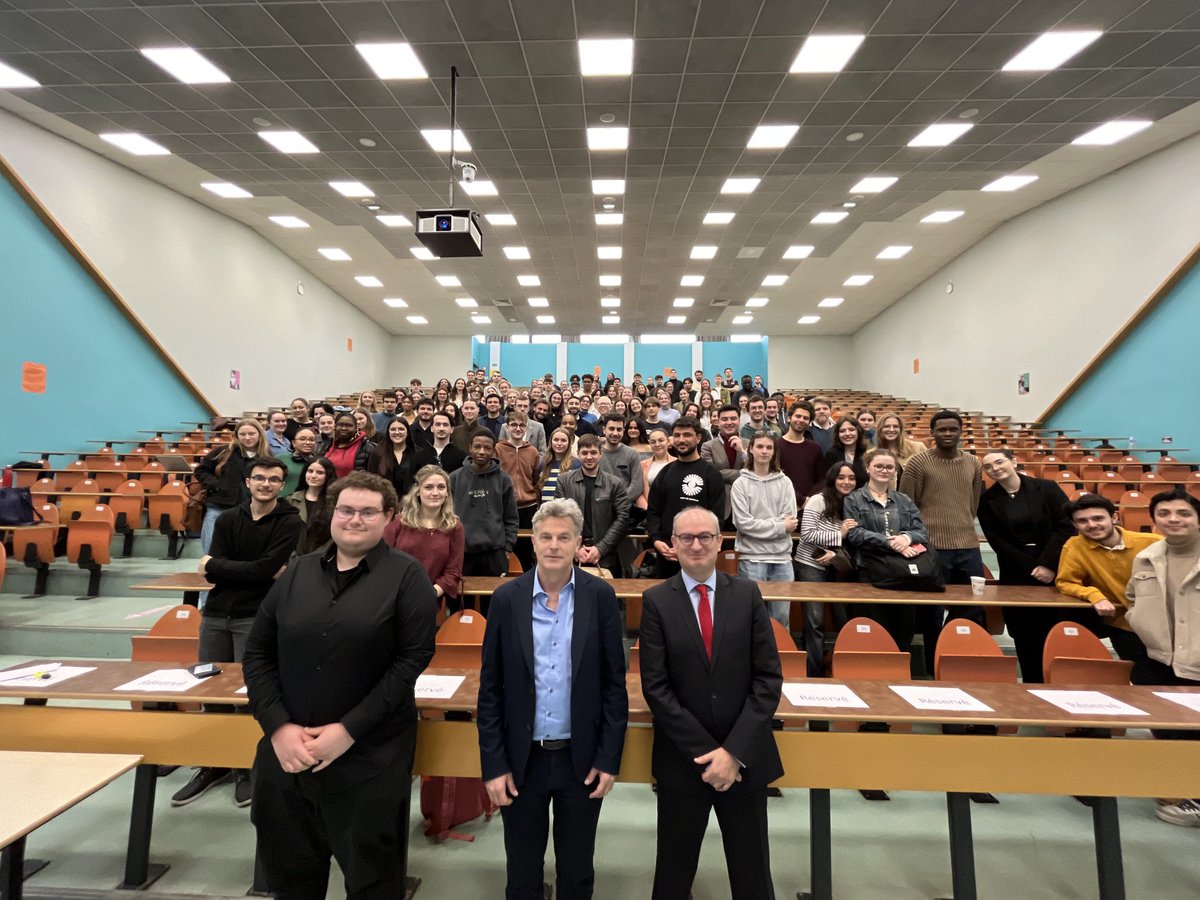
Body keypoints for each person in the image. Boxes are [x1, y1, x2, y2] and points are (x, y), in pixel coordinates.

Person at [243, 471, 436, 900]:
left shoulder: (408, 578)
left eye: (368, 512)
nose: (355, 519)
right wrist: (277, 726)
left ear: (388, 517)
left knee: (371, 883)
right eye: (346, 510)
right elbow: (257, 654)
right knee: (290, 880)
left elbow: (411, 662)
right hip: (287, 759)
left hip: (367, 759)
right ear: (332, 512)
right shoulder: (298, 571)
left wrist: (347, 731)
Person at [639, 506, 783, 900]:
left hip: (744, 760)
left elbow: (768, 679)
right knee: (673, 873)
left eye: (705, 536)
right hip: (684, 762)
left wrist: (733, 753)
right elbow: (656, 688)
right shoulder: (656, 601)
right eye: (686, 537)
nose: (696, 544)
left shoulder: (748, 594)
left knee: (752, 874)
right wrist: (708, 753)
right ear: (673, 544)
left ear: (720, 542)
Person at [174, 455, 302, 808]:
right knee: (212, 691)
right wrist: (225, 567)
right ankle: (213, 764)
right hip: (215, 614)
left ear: (281, 484)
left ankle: (246, 766)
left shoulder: (289, 522)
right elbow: (214, 573)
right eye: (259, 478)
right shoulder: (228, 519)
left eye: (273, 479)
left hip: (256, 616)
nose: (265, 484)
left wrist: (220, 566)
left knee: (252, 692)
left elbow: (263, 570)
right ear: (247, 482)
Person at [1125, 491, 1200, 825]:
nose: (1173, 519)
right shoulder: (1147, 556)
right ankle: (1180, 792)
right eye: (1165, 513)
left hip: (1196, 656)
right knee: (1166, 725)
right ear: (1154, 520)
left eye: (1183, 513)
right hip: (1159, 655)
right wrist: (1139, 620)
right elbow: (1131, 597)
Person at [977, 449, 1079, 682]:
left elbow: (1065, 526)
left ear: (1014, 462)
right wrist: (1030, 567)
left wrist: (1047, 564)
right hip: (1016, 571)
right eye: (988, 466)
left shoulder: (1047, 488)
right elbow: (997, 540)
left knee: (1055, 627)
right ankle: (1033, 684)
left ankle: (1061, 682)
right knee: (1024, 632)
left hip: (1054, 566)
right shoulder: (987, 500)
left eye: (999, 462)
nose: (995, 468)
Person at [899, 410, 986, 667]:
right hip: (931, 547)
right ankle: (933, 662)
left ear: (961, 431)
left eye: (953, 429)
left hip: (968, 545)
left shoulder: (973, 463)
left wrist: (961, 525)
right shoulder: (918, 463)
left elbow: (973, 503)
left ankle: (959, 658)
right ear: (933, 433)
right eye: (942, 430)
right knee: (932, 611)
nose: (948, 434)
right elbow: (907, 505)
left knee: (971, 607)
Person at [1056, 494, 1161, 674]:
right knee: (1142, 680)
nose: (1091, 525)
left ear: (1114, 517)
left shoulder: (1152, 543)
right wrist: (1094, 595)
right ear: (1074, 525)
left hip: (1166, 624)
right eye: (1082, 521)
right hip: (1124, 624)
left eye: (1098, 518)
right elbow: (1066, 582)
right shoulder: (1075, 546)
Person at [843, 448, 931, 655]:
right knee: (872, 629)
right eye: (879, 466)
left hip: (903, 572)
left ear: (895, 471)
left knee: (902, 632)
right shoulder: (854, 499)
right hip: (869, 570)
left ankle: (899, 677)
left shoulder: (904, 500)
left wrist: (906, 538)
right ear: (868, 468)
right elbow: (854, 534)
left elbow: (921, 532)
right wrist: (889, 542)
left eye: (889, 467)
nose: (884, 470)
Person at [794, 462, 859, 675]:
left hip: (838, 565)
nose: (846, 482)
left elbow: (857, 538)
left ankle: (841, 669)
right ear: (832, 479)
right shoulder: (818, 500)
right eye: (841, 477)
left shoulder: (856, 503)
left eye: (851, 478)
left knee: (844, 619)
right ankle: (812, 672)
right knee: (814, 621)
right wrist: (838, 535)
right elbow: (807, 534)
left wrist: (835, 553)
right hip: (810, 564)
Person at [730, 432, 798, 629]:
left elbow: (790, 521)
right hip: (752, 558)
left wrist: (764, 525)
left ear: (774, 452)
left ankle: (779, 658)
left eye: (769, 447)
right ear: (750, 449)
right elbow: (744, 524)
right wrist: (779, 526)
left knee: (781, 619)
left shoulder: (785, 482)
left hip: (782, 560)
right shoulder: (740, 484)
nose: (764, 451)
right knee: (753, 618)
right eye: (759, 446)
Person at [646, 417, 725, 578]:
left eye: (687, 435)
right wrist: (656, 541)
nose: (681, 440)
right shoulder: (665, 473)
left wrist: (697, 545)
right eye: (677, 435)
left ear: (698, 438)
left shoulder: (711, 474)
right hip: (667, 553)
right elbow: (653, 511)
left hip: (700, 554)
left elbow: (716, 517)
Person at [384, 465, 465, 613]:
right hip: (392, 598)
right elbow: (382, 561)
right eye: (428, 487)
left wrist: (429, 594)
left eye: (441, 487)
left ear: (447, 492)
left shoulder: (455, 527)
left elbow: (453, 572)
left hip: (428, 601)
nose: (435, 493)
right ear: (418, 491)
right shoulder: (398, 522)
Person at [555, 435, 631, 577]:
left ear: (600, 454)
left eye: (593, 453)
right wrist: (575, 548)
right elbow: (559, 519)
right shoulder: (564, 481)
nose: (589, 457)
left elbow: (622, 519)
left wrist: (600, 548)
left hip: (605, 555)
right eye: (584, 453)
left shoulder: (615, 483)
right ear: (578, 454)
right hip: (572, 554)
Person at [195, 418, 270, 557]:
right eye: (242, 434)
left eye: (251, 433)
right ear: (236, 436)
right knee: (211, 552)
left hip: (250, 511)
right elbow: (201, 471)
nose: (247, 437)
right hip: (218, 508)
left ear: (259, 434)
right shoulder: (222, 452)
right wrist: (218, 485)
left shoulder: (266, 456)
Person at [450, 429, 519, 578]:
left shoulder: (503, 479)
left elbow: (511, 517)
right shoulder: (455, 478)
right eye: (477, 447)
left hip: (495, 553)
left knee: (495, 598)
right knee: (462, 599)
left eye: (487, 448)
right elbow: (446, 516)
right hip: (462, 552)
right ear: (470, 448)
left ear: (493, 450)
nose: (482, 452)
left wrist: (507, 547)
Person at [496, 413, 543, 572]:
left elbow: (535, 479)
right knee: (505, 549)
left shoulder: (533, 451)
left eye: (521, 425)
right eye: (514, 425)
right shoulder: (498, 449)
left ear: (527, 428)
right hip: (504, 506)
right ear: (507, 427)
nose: (518, 428)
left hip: (528, 507)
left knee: (525, 551)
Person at [699, 404, 747, 525]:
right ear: (718, 421)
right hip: (719, 504)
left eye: (733, 418)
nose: (729, 422)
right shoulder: (707, 446)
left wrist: (742, 452)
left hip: (746, 504)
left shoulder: (750, 444)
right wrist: (742, 473)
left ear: (739, 420)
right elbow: (710, 474)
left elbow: (756, 472)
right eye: (724, 419)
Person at [777, 401, 825, 505]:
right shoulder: (776, 446)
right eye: (798, 416)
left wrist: (809, 500)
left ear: (809, 422)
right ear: (789, 418)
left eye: (805, 418)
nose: (801, 420)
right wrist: (800, 500)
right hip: (782, 504)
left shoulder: (815, 448)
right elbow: (775, 478)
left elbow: (820, 480)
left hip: (809, 506)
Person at [287, 457, 335, 555]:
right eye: (310, 471)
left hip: (321, 559)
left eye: (319, 473)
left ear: (328, 475)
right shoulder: (289, 501)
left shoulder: (334, 503)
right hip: (291, 560)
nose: (313, 476)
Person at [598, 413, 644, 506]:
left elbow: (637, 485)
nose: (615, 433)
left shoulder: (632, 454)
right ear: (604, 430)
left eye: (619, 429)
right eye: (611, 429)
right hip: (600, 507)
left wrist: (619, 501)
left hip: (625, 509)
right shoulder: (595, 454)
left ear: (623, 431)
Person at [367, 417, 417, 501]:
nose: (397, 432)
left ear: (408, 432)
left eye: (401, 429)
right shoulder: (377, 453)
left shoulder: (417, 454)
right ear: (388, 432)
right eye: (393, 429)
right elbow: (371, 480)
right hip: (384, 502)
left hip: (411, 503)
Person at [873, 414, 926, 484]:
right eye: (886, 426)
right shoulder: (872, 453)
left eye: (895, 426)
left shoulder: (918, 447)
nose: (891, 430)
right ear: (880, 429)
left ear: (900, 429)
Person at [822, 417, 868, 487]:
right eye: (842, 431)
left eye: (851, 430)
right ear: (837, 434)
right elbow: (827, 482)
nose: (847, 433)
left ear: (858, 431)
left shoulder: (865, 453)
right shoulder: (831, 454)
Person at [539, 427, 579, 506]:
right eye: (556, 440)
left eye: (563, 440)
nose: (559, 443)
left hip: (567, 511)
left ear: (569, 443)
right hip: (545, 511)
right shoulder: (543, 463)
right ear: (551, 442)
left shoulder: (576, 464)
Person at [325, 412, 372, 478]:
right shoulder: (326, 445)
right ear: (335, 427)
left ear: (356, 428)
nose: (344, 428)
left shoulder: (366, 448)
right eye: (340, 425)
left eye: (349, 425)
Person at [277, 426, 317, 496]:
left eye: (311, 440)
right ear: (293, 443)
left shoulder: (319, 462)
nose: (307, 442)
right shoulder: (281, 459)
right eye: (302, 439)